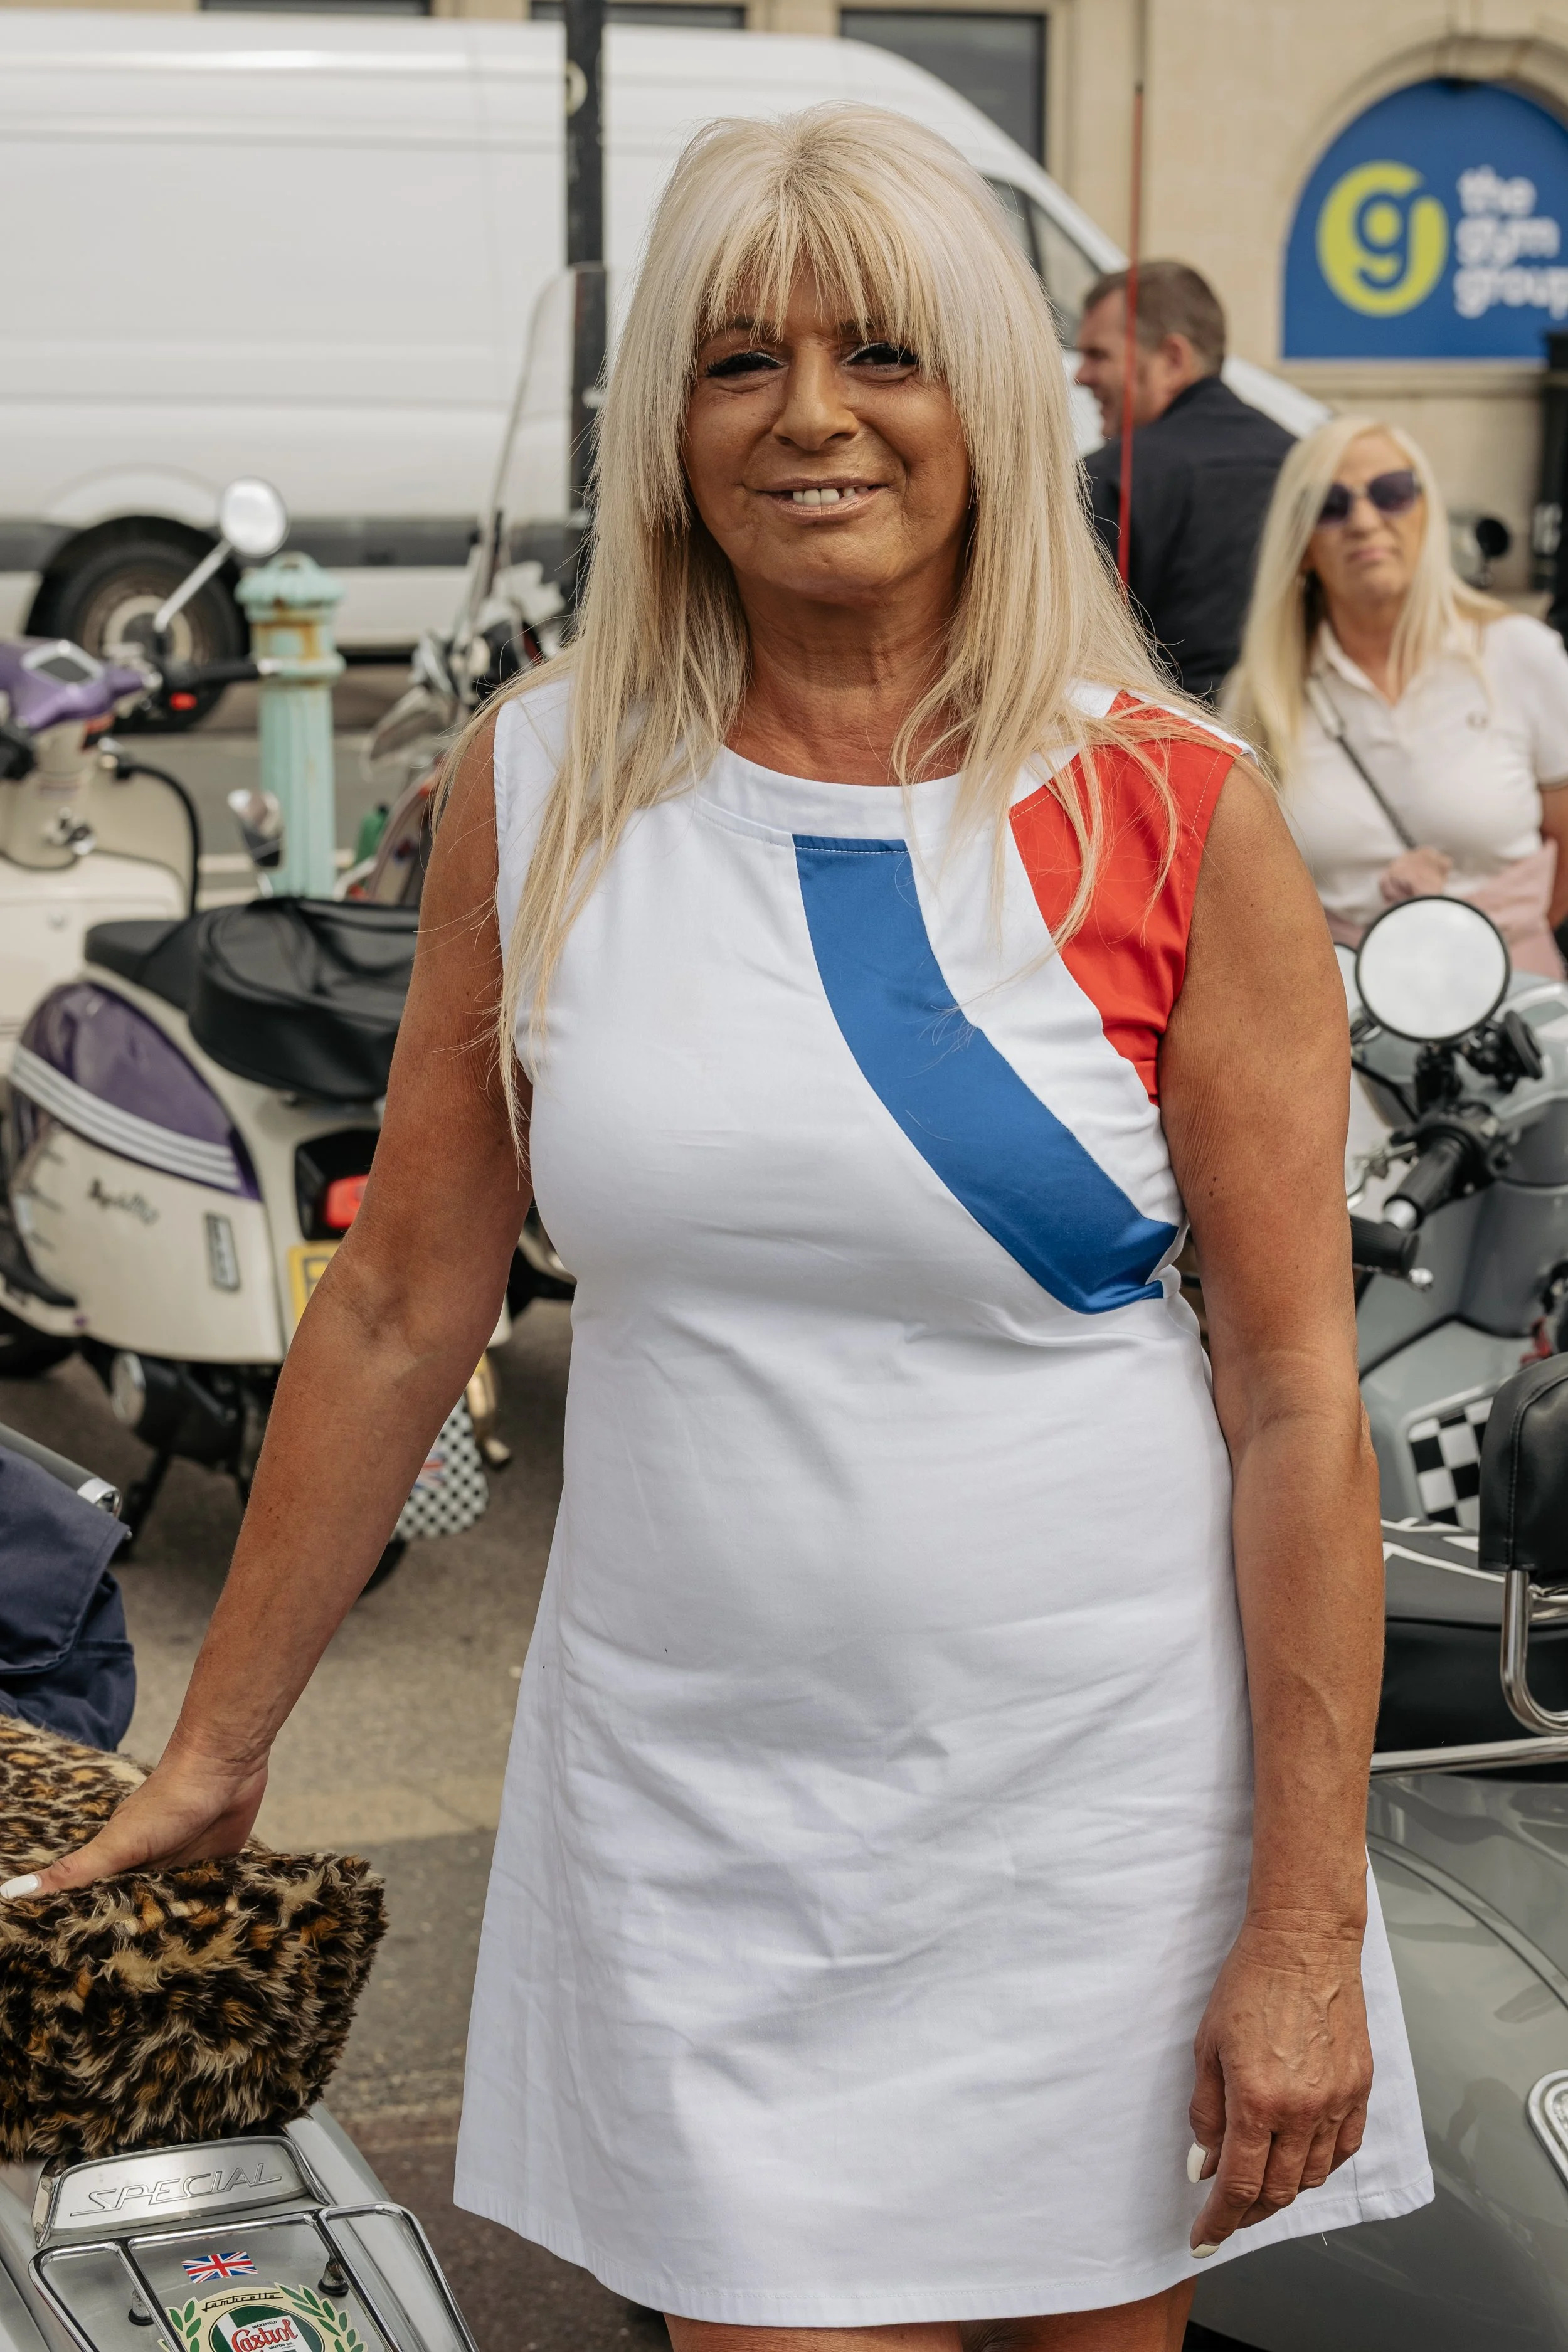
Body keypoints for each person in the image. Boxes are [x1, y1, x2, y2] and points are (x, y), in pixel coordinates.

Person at [8, 108, 1431, 2352]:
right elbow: (398, 1303)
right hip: (704, 1808)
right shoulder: (542, 778)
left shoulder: (1174, 806)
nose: (808, 415)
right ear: (663, 426)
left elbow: (1289, 1393)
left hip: (1096, 1802)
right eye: (735, 360)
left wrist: (1299, 1918)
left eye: (881, 349)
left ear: (987, 391)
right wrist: (221, 1737)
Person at [1227, 415, 1568, 977]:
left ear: (1427, 513)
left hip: (1511, 1016)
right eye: (1330, 505)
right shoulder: (1261, 691)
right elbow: (1248, 888)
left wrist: (1473, 946)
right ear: (1303, 544)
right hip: (1345, 1027)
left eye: (1391, 494)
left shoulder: (1522, 654)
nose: (1363, 521)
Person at [1077, 263, 1294, 701]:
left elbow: (1067, 656)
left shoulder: (1110, 476)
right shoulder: (1304, 460)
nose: (1081, 376)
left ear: (1173, 360)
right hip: (1294, 752)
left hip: (1160, 753)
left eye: (1099, 355)